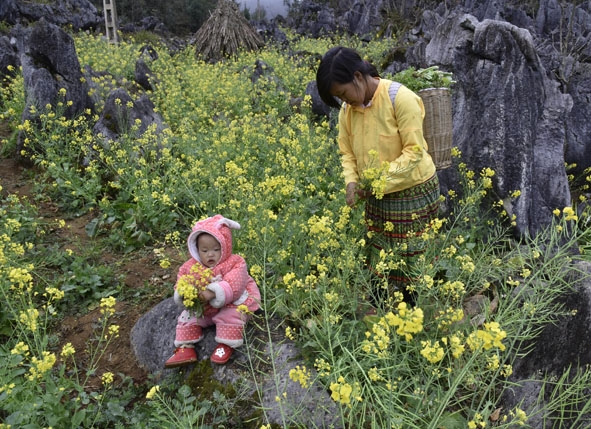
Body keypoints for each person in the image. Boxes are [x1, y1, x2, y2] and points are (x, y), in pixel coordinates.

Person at [316, 46, 440, 305]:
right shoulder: (347, 111)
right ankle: (383, 311)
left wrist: (375, 182)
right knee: (380, 257)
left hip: (413, 191)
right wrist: (352, 182)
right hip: (375, 195)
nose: (343, 101)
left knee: (411, 259)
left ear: (358, 77)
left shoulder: (400, 98)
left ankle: (412, 315)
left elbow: (415, 152)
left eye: (342, 93)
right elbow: (346, 152)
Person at [165, 214, 261, 367]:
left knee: (232, 315)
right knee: (188, 317)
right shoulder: (190, 266)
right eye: (204, 250)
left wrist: (212, 292)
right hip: (206, 307)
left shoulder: (235, 262)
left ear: (225, 246)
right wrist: (186, 294)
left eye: (216, 249)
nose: (210, 254)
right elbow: (182, 281)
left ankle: (226, 345)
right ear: (196, 250)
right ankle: (185, 348)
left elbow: (236, 283)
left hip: (234, 301)